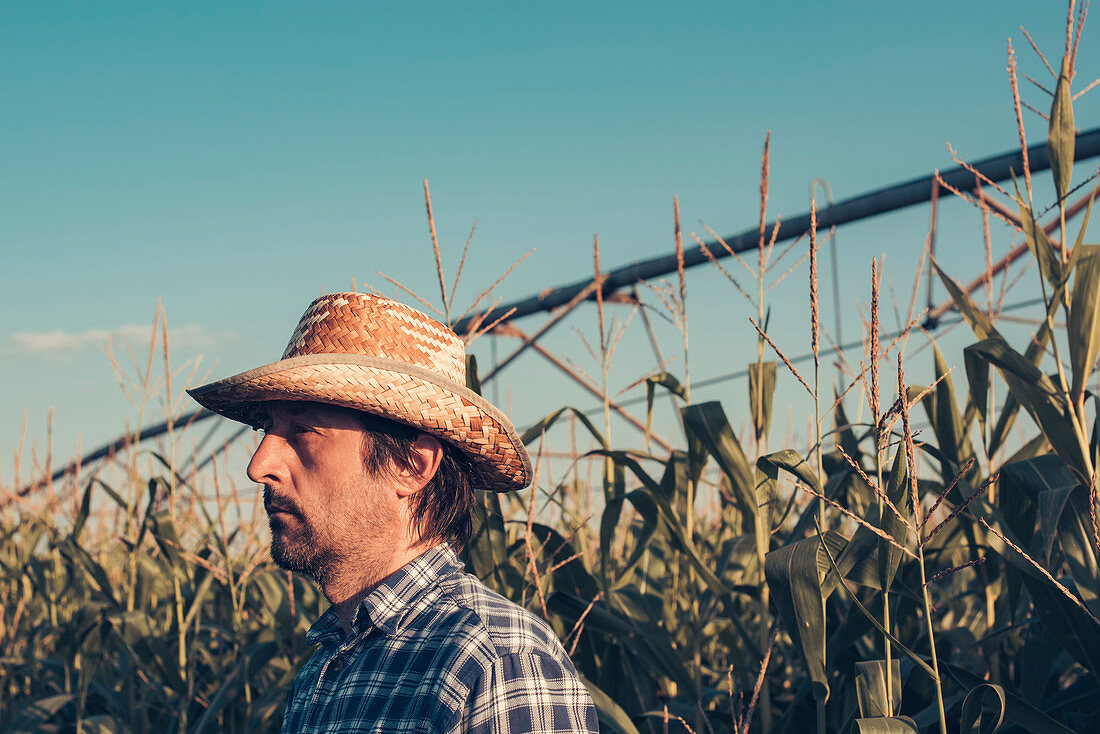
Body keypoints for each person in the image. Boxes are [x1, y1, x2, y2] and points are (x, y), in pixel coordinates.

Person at [188, 292, 598, 734]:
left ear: (411, 466)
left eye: (303, 430)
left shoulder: (494, 663)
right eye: (267, 429)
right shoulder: (323, 669)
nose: (258, 466)